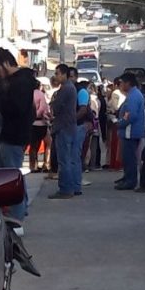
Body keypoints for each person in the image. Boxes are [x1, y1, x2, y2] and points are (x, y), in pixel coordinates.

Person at [0, 47, 38, 226]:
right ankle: (17, 212)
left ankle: (16, 219)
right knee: (8, 178)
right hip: (8, 136)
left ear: (4, 64)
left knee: (11, 180)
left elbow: (17, 109)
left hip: (13, 137)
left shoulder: (20, 83)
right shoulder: (16, 81)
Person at [48, 64, 80, 199]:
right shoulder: (69, 88)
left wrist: (52, 107)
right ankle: (71, 187)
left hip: (63, 127)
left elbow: (56, 106)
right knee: (68, 159)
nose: (56, 76)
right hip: (68, 127)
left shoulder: (66, 89)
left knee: (64, 160)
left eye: (57, 73)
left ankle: (65, 189)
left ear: (64, 74)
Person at [114, 73, 145, 191]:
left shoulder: (133, 96)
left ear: (128, 83)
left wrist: (120, 123)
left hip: (130, 131)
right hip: (131, 131)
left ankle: (130, 181)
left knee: (129, 157)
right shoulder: (133, 94)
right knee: (128, 157)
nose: (120, 85)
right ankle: (127, 177)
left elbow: (130, 115)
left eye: (122, 82)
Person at [29, 81, 51, 173]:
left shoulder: (28, 94)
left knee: (33, 146)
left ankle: (33, 165)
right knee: (48, 143)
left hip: (31, 123)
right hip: (41, 123)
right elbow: (43, 108)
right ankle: (46, 164)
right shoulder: (41, 94)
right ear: (39, 86)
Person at [107, 78, 126, 170]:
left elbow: (115, 107)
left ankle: (115, 163)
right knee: (118, 142)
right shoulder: (121, 93)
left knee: (115, 142)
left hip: (116, 119)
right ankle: (118, 163)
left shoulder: (116, 93)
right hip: (119, 118)